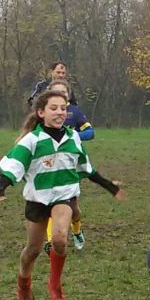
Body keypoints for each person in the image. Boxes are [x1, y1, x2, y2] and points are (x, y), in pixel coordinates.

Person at [0, 90, 126, 300]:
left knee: (60, 240)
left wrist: (110, 187)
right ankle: (24, 285)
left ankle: (55, 285)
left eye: (63, 108)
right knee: (32, 250)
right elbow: (15, 164)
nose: (60, 112)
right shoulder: (32, 141)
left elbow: (86, 169)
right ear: (41, 112)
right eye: (54, 108)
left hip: (65, 196)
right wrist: (1, 185)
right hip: (38, 199)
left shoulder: (73, 138)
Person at [42, 80, 96, 253]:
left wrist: (72, 135)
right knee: (50, 203)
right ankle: (51, 241)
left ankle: (77, 230)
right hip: (49, 162)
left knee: (73, 208)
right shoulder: (45, 113)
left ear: (69, 95)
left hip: (70, 162)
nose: (60, 95)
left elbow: (90, 132)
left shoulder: (75, 112)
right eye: (56, 91)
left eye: (64, 92)